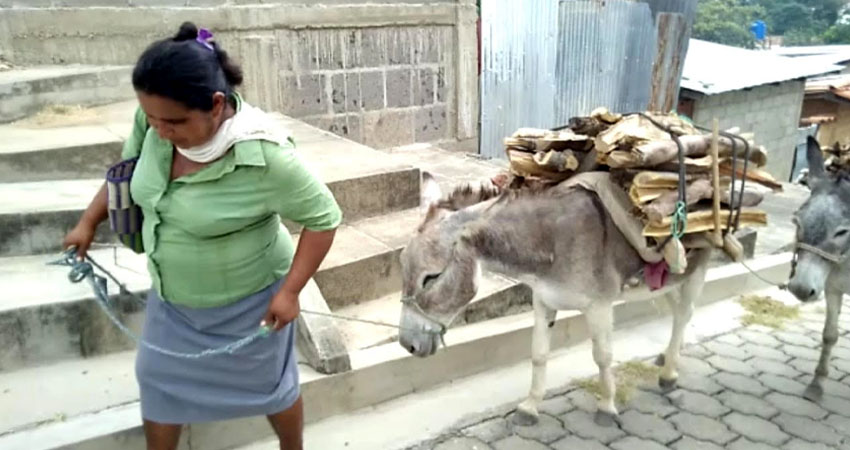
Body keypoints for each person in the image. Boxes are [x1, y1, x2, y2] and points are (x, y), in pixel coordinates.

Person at [63, 22, 341, 450]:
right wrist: (87, 222)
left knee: (272, 387)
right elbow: (128, 171)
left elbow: (324, 218)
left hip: (250, 304)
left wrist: (290, 292)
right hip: (173, 301)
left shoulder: (265, 155)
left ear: (215, 105)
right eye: (150, 118)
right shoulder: (155, 122)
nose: (159, 130)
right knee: (158, 381)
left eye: (173, 122)